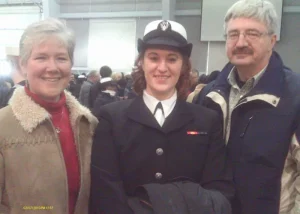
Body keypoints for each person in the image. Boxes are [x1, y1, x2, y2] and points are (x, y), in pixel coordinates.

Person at [90, 20, 234, 214]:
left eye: (172, 59)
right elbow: (106, 192)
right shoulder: (111, 118)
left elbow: (219, 191)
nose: (162, 67)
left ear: (184, 66)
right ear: (141, 62)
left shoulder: (207, 121)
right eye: (154, 58)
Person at [197, 0, 300, 213]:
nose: (241, 42)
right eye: (233, 34)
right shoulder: (209, 95)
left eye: (252, 33)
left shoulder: (295, 96)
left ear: (272, 40)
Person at [0, 18, 98, 214]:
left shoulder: (88, 124)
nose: (52, 67)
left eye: (61, 58)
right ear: (23, 64)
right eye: (41, 57)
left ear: (71, 64)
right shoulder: (3, 126)